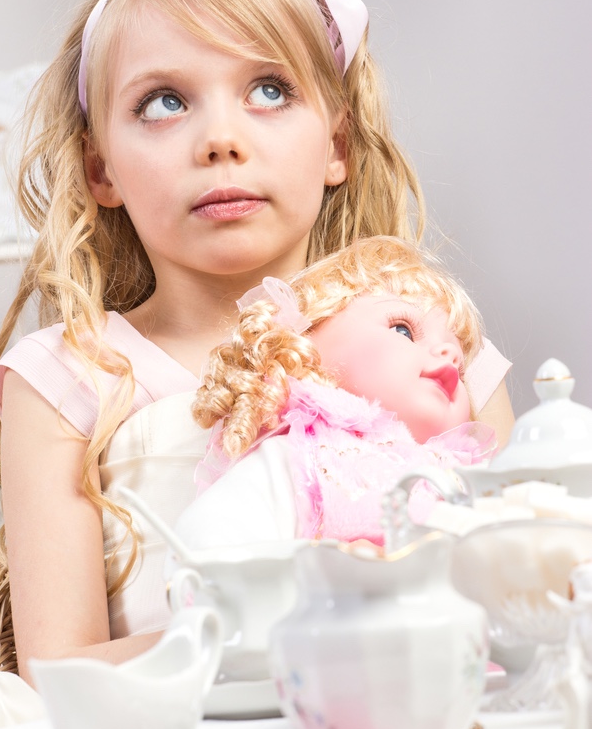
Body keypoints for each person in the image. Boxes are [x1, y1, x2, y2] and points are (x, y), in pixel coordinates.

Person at [0, 0, 512, 695]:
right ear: (98, 168)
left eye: (269, 91)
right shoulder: (68, 381)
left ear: (336, 146)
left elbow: (519, 588)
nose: (220, 139)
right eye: (163, 103)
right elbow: (58, 671)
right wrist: (278, 637)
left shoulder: (433, 343)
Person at [175, 236, 498, 551]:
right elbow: (211, 540)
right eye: (404, 330)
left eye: (461, 364)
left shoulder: (468, 481)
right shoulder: (303, 457)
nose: (450, 355)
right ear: (303, 345)